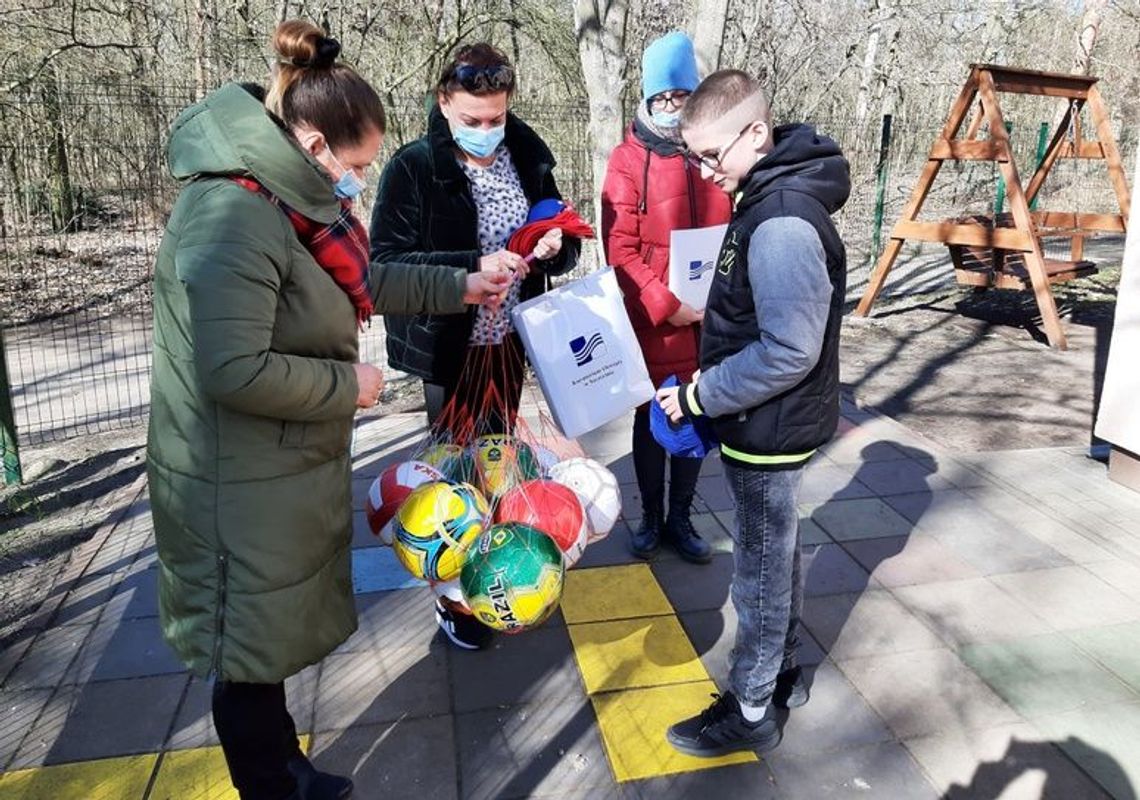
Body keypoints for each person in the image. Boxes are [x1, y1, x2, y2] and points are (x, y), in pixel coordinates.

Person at [148, 20, 510, 800]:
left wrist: (462, 284)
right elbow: (230, 369)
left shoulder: (290, 203)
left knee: (263, 647)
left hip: (270, 470)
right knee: (243, 654)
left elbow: (358, 282)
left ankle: (288, 770)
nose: (359, 184)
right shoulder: (232, 214)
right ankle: (274, 786)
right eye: (355, 167)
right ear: (313, 145)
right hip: (228, 482)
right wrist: (354, 388)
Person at [656, 69, 850, 756]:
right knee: (778, 557)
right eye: (694, 157)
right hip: (764, 419)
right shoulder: (764, 195)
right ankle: (782, 672)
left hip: (767, 426)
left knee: (759, 573)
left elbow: (788, 351)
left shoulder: (783, 221)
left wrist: (698, 395)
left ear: (758, 133)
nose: (705, 172)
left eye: (712, 155)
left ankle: (750, 707)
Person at [369, 42, 580, 650]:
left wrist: (552, 248)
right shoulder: (413, 168)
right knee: (451, 483)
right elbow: (387, 264)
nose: (487, 131)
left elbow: (564, 233)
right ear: (443, 103)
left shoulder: (527, 158)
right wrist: (470, 268)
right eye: (472, 120)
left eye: (497, 119)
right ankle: (456, 604)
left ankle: (500, 581)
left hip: (510, 343)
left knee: (499, 466)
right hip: (449, 348)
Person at [601, 31, 731, 564]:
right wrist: (665, 304)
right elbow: (621, 251)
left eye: (683, 98)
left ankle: (682, 517)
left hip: (710, 317)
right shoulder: (627, 160)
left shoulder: (715, 155)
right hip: (656, 320)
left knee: (697, 415)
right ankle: (651, 516)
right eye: (664, 99)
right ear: (648, 100)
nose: (673, 109)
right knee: (652, 422)